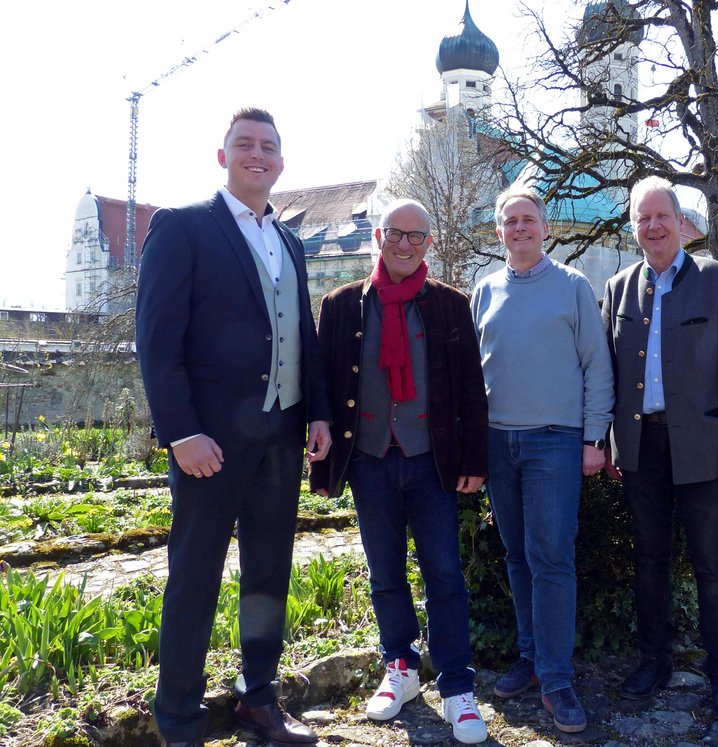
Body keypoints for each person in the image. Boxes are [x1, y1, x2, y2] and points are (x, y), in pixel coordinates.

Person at [135, 107, 331, 747]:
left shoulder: (291, 242)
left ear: (280, 162)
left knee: (269, 577)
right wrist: (180, 431)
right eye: (244, 144)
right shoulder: (183, 228)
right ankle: (180, 721)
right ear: (224, 156)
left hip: (279, 442)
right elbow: (157, 339)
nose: (257, 154)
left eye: (268, 147)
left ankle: (258, 699)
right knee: (195, 577)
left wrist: (318, 414)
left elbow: (303, 335)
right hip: (209, 446)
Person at [309, 199, 489, 744]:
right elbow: (321, 382)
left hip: (432, 462)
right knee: (385, 573)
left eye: (416, 236)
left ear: (428, 243)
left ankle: (458, 687)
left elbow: (471, 391)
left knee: (445, 576)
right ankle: (401, 670)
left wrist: (474, 460)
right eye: (395, 234)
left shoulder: (450, 306)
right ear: (378, 237)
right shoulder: (340, 306)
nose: (405, 244)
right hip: (369, 460)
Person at [601, 176, 718, 722]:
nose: (652, 226)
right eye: (642, 219)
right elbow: (608, 376)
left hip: (705, 448)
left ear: (679, 220)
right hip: (641, 447)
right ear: (633, 227)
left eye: (660, 215)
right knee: (649, 561)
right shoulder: (619, 287)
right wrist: (610, 441)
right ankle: (655, 658)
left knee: (712, 565)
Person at [470, 186, 614, 734]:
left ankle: (557, 677)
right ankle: (530, 657)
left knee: (551, 557)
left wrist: (594, 438)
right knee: (516, 554)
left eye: (529, 220)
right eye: (510, 221)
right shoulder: (483, 290)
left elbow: (597, 365)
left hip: (556, 440)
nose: (520, 229)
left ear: (545, 228)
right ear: (499, 231)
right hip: (497, 441)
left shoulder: (574, 287)